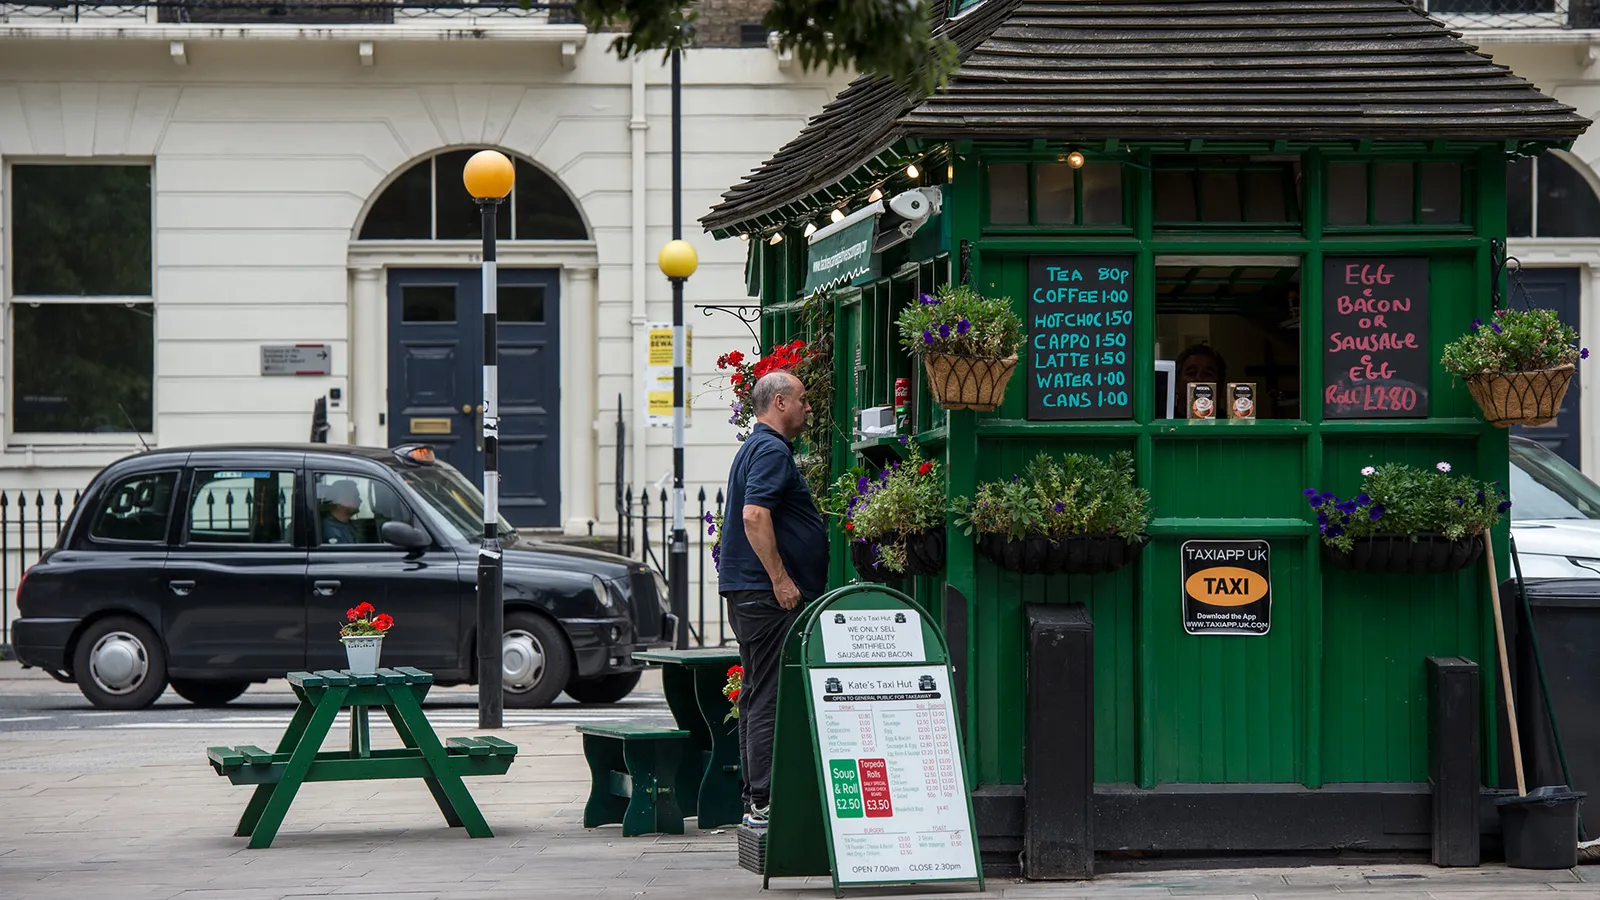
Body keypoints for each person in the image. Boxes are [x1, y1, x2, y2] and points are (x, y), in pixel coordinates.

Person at [717, 370, 828, 829]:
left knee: (756, 691)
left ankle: (754, 798)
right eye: (802, 399)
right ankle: (763, 802)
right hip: (767, 597)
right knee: (768, 694)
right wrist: (781, 579)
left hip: (749, 592)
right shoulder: (769, 450)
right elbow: (754, 515)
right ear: (779, 402)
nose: (808, 407)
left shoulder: (755, 448)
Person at [1174, 343, 1227, 412]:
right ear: (1177, 383)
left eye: (1208, 374)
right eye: (1191, 373)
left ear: (1220, 386)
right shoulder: (1162, 420)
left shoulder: (1232, 422)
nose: (1199, 379)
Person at [321, 480, 363, 545]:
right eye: (355, 496)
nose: (360, 500)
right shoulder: (333, 532)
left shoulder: (345, 524)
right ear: (341, 500)